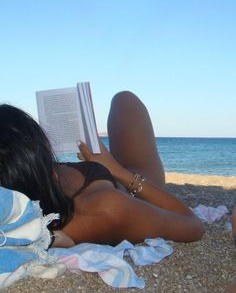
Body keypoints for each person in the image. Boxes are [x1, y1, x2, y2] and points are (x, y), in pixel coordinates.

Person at [0, 91, 203, 247]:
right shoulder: (101, 210)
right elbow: (192, 225)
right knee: (125, 100)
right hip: (133, 189)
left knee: (122, 100)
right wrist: (116, 170)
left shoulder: (17, 190)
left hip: (91, 181)